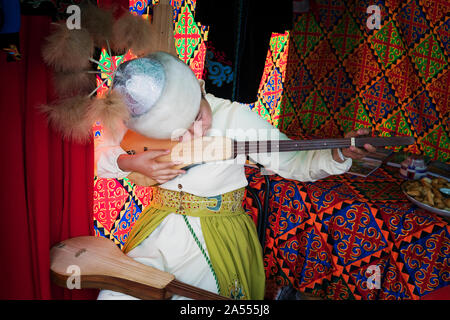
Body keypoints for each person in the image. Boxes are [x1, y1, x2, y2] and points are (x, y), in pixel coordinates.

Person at [95, 52, 376, 300]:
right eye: (180, 128)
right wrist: (130, 163)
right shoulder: (143, 117)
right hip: (158, 230)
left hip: (217, 237)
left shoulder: (233, 117)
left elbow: (294, 161)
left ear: (195, 89)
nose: (194, 132)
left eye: (196, 117)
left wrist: (339, 154)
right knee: (115, 296)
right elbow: (97, 159)